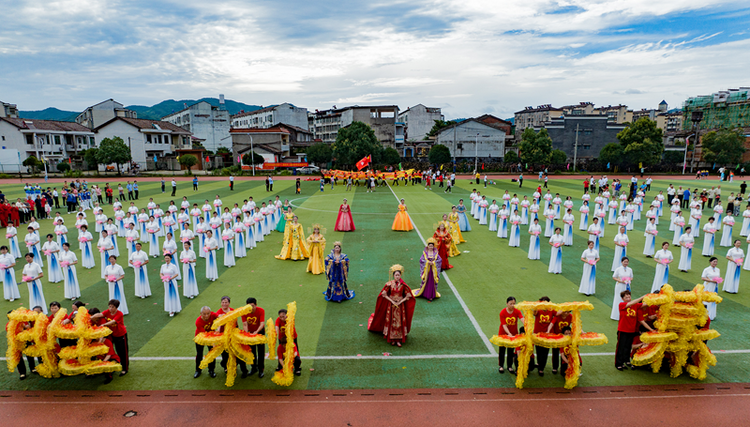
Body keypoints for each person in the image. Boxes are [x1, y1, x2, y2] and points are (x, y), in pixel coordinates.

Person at [367, 264, 415, 347]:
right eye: (396, 275)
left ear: (400, 275)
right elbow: (384, 294)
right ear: (393, 276)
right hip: (391, 305)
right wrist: (392, 301)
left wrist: (400, 302)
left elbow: (408, 296)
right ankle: (393, 339)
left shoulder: (403, 285)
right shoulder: (389, 284)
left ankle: (399, 339)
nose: (397, 276)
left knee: (399, 322)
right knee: (392, 321)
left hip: (400, 306)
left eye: (398, 275)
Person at [615, 291, 646, 371]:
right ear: (622, 299)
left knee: (628, 347)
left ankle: (625, 360)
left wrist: (655, 298)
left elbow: (645, 304)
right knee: (620, 347)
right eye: (626, 297)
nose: (628, 299)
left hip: (631, 330)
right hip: (623, 330)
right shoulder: (622, 305)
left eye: (629, 297)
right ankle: (618, 363)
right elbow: (632, 303)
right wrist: (642, 297)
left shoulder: (635, 305)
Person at [99, 299, 129, 376]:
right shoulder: (107, 311)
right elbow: (100, 314)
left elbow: (113, 322)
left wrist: (104, 325)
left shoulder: (120, 314)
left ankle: (125, 369)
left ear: (116, 307)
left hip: (120, 335)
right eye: (109, 306)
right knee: (111, 350)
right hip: (112, 335)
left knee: (122, 352)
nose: (110, 308)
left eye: (112, 307)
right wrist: (91, 317)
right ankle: (114, 365)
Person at [497, 296, 523, 374]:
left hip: (513, 333)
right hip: (503, 334)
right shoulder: (503, 312)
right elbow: (504, 325)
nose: (512, 305)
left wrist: (526, 324)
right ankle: (501, 366)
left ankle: (509, 366)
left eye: (514, 303)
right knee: (502, 350)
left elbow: (521, 318)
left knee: (510, 351)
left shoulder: (517, 311)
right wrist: (509, 334)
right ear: (507, 303)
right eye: (510, 303)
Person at [533, 296, 555, 376]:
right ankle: (539, 363)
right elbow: (534, 313)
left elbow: (557, 314)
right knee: (538, 351)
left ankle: (541, 368)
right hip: (537, 334)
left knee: (545, 352)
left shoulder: (551, 310)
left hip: (548, 335)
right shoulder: (538, 310)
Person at [194, 306, 218, 378]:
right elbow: (205, 335)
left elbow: (219, 316)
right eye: (204, 314)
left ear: (210, 313)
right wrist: (213, 343)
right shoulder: (198, 322)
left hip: (211, 336)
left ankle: (211, 370)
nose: (206, 316)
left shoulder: (213, 315)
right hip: (201, 337)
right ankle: (198, 370)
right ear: (201, 313)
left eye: (208, 313)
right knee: (199, 354)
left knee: (211, 354)